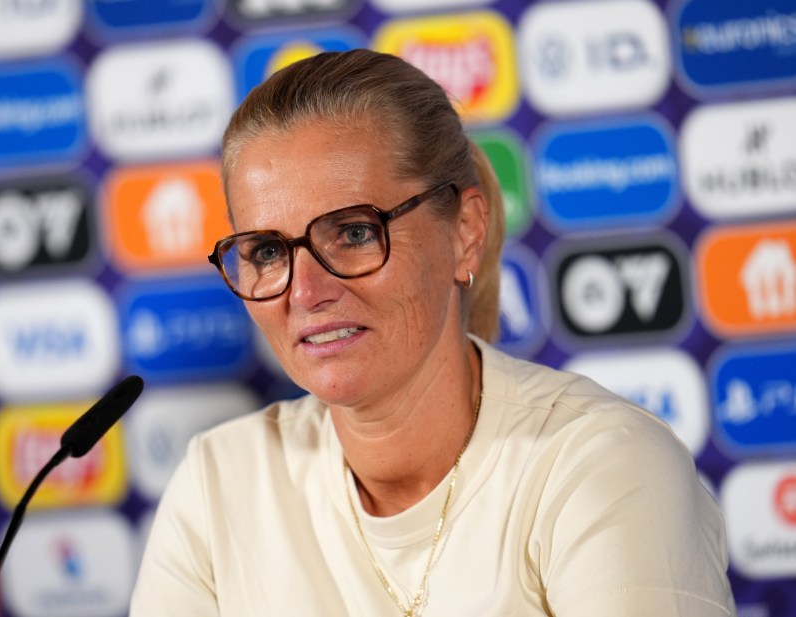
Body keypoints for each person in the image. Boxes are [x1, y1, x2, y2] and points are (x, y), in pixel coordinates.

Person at [131, 49, 735, 616]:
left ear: (465, 231)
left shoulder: (601, 466)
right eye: (267, 249)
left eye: (355, 232)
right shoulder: (219, 485)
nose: (305, 290)